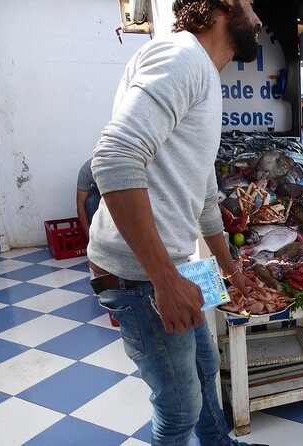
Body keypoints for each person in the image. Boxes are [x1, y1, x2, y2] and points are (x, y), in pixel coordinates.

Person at [87, 1, 266, 445]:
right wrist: (165, 280)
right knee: (179, 405)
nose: (260, 21)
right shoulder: (181, 56)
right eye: (251, 5)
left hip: (181, 264)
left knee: (207, 370)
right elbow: (114, 158)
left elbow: (204, 198)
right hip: (141, 275)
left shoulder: (203, 74)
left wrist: (229, 268)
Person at [76, 158, 101, 239]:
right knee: (91, 202)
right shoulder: (87, 170)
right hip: (99, 190)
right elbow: (80, 205)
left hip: (126, 189)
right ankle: (97, 236)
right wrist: (89, 237)